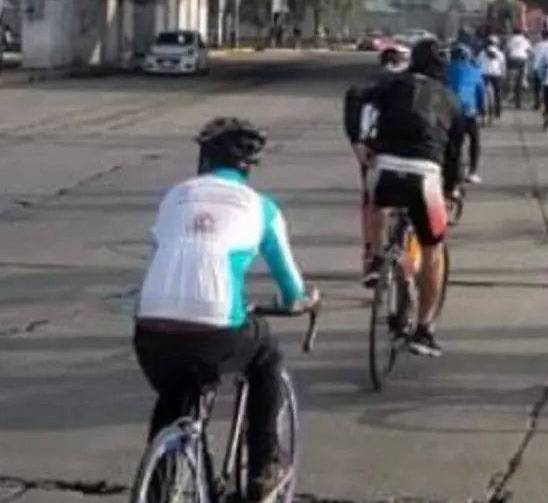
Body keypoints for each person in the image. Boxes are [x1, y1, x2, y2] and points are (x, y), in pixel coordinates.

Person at [134, 117, 318, 503]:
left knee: (173, 396)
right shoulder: (261, 207)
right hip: (217, 327)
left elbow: (163, 255)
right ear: (247, 168)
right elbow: (290, 285)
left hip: (150, 327)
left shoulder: (174, 196)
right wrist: (296, 303)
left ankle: (159, 486)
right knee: (266, 353)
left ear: (203, 159)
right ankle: (263, 469)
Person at [356, 39, 464, 357]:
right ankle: (424, 329)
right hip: (426, 175)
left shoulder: (390, 84)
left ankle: (376, 258)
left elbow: (356, 98)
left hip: (385, 167)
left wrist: (359, 140)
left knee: (374, 201)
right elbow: (456, 155)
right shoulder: (451, 100)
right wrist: (453, 188)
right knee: (433, 249)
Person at [343, 46, 410, 280]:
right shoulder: (407, 86)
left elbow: (353, 102)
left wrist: (356, 143)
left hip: (371, 150)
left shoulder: (369, 86)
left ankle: (372, 255)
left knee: (372, 202)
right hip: (403, 150)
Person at [446, 44, 486, 184]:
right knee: (475, 142)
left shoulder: (446, 70)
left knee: (454, 143)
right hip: (470, 111)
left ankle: (452, 172)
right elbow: (480, 91)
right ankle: (472, 172)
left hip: (452, 112)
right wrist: (482, 110)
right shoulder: (474, 70)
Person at [477, 36, 506, 121]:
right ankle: (498, 112)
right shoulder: (500, 53)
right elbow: (503, 65)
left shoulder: (482, 53)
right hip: (496, 74)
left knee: (481, 93)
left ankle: (481, 111)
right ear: (496, 43)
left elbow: (477, 63)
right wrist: (503, 74)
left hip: (484, 74)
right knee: (497, 93)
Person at [504, 28, 532, 109]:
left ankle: (511, 90)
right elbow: (529, 50)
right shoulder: (525, 40)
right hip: (522, 60)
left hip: (512, 60)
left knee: (512, 78)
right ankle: (518, 102)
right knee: (519, 81)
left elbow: (506, 50)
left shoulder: (510, 40)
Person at [529, 28, 548, 111]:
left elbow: (531, 54)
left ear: (542, 36)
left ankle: (537, 104)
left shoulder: (538, 45)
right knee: (547, 88)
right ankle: (547, 103)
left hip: (537, 68)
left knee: (537, 88)